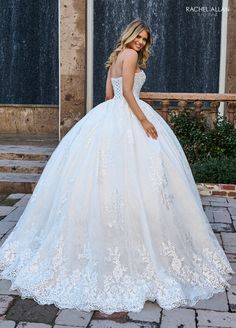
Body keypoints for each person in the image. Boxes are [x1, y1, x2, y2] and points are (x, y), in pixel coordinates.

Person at [0, 18, 234, 315]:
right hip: (130, 114)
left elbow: (109, 96)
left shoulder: (115, 57)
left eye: (145, 40)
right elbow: (125, 96)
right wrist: (144, 119)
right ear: (131, 35)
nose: (141, 43)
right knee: (142, 179)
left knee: (102, 179)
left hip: (107, 117)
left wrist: (116, 115)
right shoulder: (131, 56)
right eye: (139, 38)